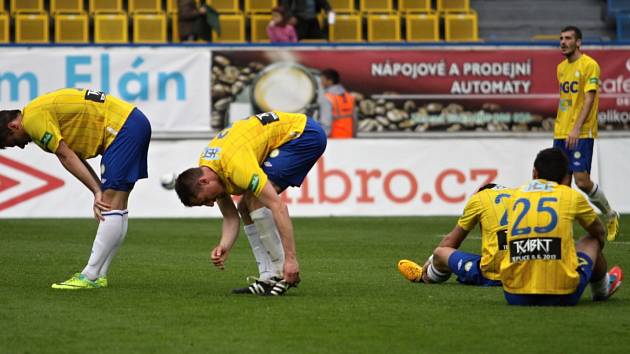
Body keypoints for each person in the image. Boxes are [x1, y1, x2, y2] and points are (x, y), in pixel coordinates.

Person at [0, 88, 152, 289]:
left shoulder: (32, 120)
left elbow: (66, 156)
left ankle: (89, 276)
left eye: (12, 142)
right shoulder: (36, 113)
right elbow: (72, 155)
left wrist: (97, 191)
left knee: (110, 203)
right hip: (132, 122)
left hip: (122, 128)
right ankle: (99, 275)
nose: (19, 147)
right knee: (117, 204)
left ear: (14, 125)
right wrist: (97, 188)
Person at [174, 111, 326, 296]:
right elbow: (231, 217)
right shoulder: (209, 168)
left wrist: (291, 260)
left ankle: (280, 274)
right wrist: (224, 246)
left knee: (255, 199)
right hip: (281, 136)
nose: (210, 204)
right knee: (244, 208)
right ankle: (267, 276)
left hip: (303, 135)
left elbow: (278, 207)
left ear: (204, 182)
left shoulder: (236, 166)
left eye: (205, 200)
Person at [500, 147, 622, 306]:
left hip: (514, 294)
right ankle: (602, 288)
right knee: (592, 239)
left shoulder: (514, 195)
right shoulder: (571, 196)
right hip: (562, 295)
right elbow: (599, 232)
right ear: (566, 178)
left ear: (534, 173)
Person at [555, 25, 620, 240]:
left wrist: (575, 128)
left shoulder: (590, 65)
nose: (563, 42)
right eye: (561, 38)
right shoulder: (561, 68)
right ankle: (564, 233)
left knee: (582, 181)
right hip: (561, 133)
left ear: (578, 42)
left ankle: (610, 214)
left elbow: (589, 99)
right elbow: (567, 102)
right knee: (562, 185)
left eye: (568, 38)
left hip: (581, 132)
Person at [398, 183, 513, 286]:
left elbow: (452, 241)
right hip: (524, 270)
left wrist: (430, 260)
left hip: (495, 273)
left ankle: (424, 276)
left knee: (440, 253)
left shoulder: (479, 198)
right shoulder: (518, 195)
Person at [318, 68, 357, 138]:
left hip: (334, 140)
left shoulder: (327, 98)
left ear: (330, 81)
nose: (321, 83)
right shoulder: (349, 97)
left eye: (323, 80)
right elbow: (355, 121)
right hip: (349, 138)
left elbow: (326, 123)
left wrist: (321, 140)